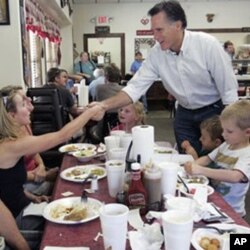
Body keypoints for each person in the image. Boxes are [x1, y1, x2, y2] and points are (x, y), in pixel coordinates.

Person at [89, 0, 238, 154]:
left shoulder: (207, 45)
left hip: (212, 111)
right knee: (186, 160)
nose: (155, 36)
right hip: (184, 112)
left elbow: (229, 90)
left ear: (178, 25)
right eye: (153, 31)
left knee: (218, 159)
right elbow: (134, 88)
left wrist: (232, 126)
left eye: (159, 30)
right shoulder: (156, 53)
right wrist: (103, 105)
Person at [0, 86, 101, 246]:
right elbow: (62, 136)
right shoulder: (9, 146)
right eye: (23, 105)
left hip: (25, 206)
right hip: (17, 219)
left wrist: (31, 196)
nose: (29, 108)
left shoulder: (8, 142)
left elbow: (7, 185)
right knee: (79, 223)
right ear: (11, 116)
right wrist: (89, 113)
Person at [184, 100, 250, 217]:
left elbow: (235, 176)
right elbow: (208, 158)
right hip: (214, 201)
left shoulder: (247, 153)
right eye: (223, 129)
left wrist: (200, 170)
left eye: (229, 131)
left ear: (247, 132)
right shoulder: (226, 145)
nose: (224, 135)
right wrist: (192, 164)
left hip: (232, 211)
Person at [1, 85, 58, 196]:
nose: (29, 100)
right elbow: (13, 176)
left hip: (36, 172)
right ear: (11, 113)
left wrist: (41, 166)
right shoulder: (8, 140)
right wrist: (45, 175)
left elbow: (34, 149)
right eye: (23, 100)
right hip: (25, 181)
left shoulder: (25, 123)